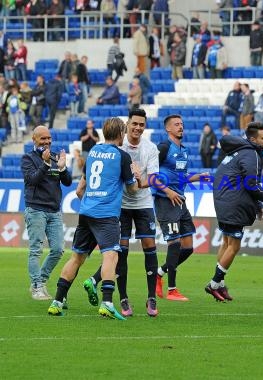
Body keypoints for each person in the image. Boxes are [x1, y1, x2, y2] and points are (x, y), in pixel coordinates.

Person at [47, 117, 140, 320]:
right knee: (110, 256)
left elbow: (81, 189)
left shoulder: (93, 153)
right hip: (106, 215)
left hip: (86, 211)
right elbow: (132, 189)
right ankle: (107, 302)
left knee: (77, 257)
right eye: (124, 132)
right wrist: (137, 175)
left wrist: (91, 201)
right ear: (120, 133)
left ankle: (57, 301)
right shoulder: (122, 156)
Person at [82, 109, 160, 317]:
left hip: (143, 204)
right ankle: (124, 299)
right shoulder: (118, 146)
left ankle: (151, 298)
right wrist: (133, 180)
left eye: (141, 124)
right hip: (121, 206)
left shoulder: (150, 148)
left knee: (149, 246)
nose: (137, 128)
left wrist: (138, 179)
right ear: (127, 125)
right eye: (134, 124)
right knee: (120, 251)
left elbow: (153, 179)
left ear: (145, 126)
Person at [206, 122, 263, 302]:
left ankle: (220, 285)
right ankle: (214, 283)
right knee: (235, 246)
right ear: (253, 139)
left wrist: (257, 205)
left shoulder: (238, 150)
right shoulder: (251, 154)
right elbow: (251, 184)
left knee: (226, 242)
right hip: (233, 203)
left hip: (223, 201)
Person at [153, 115, 209, 301]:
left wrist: (197, 177)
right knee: (174, 244)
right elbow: (151, 175)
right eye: (176, 125)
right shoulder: (163, 148)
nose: (181, 127)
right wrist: (168, 192)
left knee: (188, 247)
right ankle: (172, 290)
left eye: (182, 124)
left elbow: (181, 177)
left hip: (180, 201)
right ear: (168, 129)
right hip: (165, 201)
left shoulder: (183, 151)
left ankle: (159, 273)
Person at [22, 126, 72, 300]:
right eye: (43, 138)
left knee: (58, 250)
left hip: (54, 210)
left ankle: (40, 281)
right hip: (35, 209)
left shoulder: (55, 156)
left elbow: (67, 182)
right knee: (36, 250)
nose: (47, 141)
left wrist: (63, 168)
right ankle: (36, 286)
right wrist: (44, 164)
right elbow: (32, 180)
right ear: (34, 139)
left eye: (49, 138)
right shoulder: (27, 158)